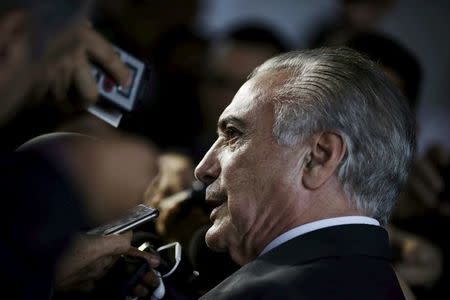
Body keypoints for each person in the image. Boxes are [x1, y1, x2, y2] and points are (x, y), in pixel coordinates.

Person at [194, 47, 415, 299]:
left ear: (318, 157)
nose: (203, 168)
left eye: (233, 134)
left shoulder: (260, 294)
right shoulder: (387, 287)